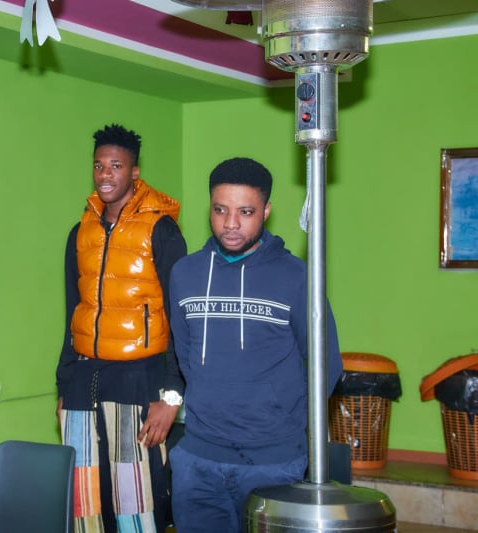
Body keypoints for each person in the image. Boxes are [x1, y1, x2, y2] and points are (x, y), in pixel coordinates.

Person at [167, 157, 343, 533]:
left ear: (266, 211)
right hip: (197, 462)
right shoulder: (185, 274)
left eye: (245, 212)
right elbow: (184, 354)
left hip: (274, 464)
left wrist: (281, 422)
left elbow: (326, 365)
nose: (231, 223)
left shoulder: (298, 277)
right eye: (220, 210)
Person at [56, 123, 187, 532]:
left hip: (138, 380)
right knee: (86, 503)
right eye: (99, 165)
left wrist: (171, 396)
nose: (105, 174)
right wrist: (63, 383)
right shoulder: (81, 233)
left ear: (134, 171)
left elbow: (180, 318)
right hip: (83, 381)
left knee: (136, 500)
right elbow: (73, 311)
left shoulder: (162, 230)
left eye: (116, 166)